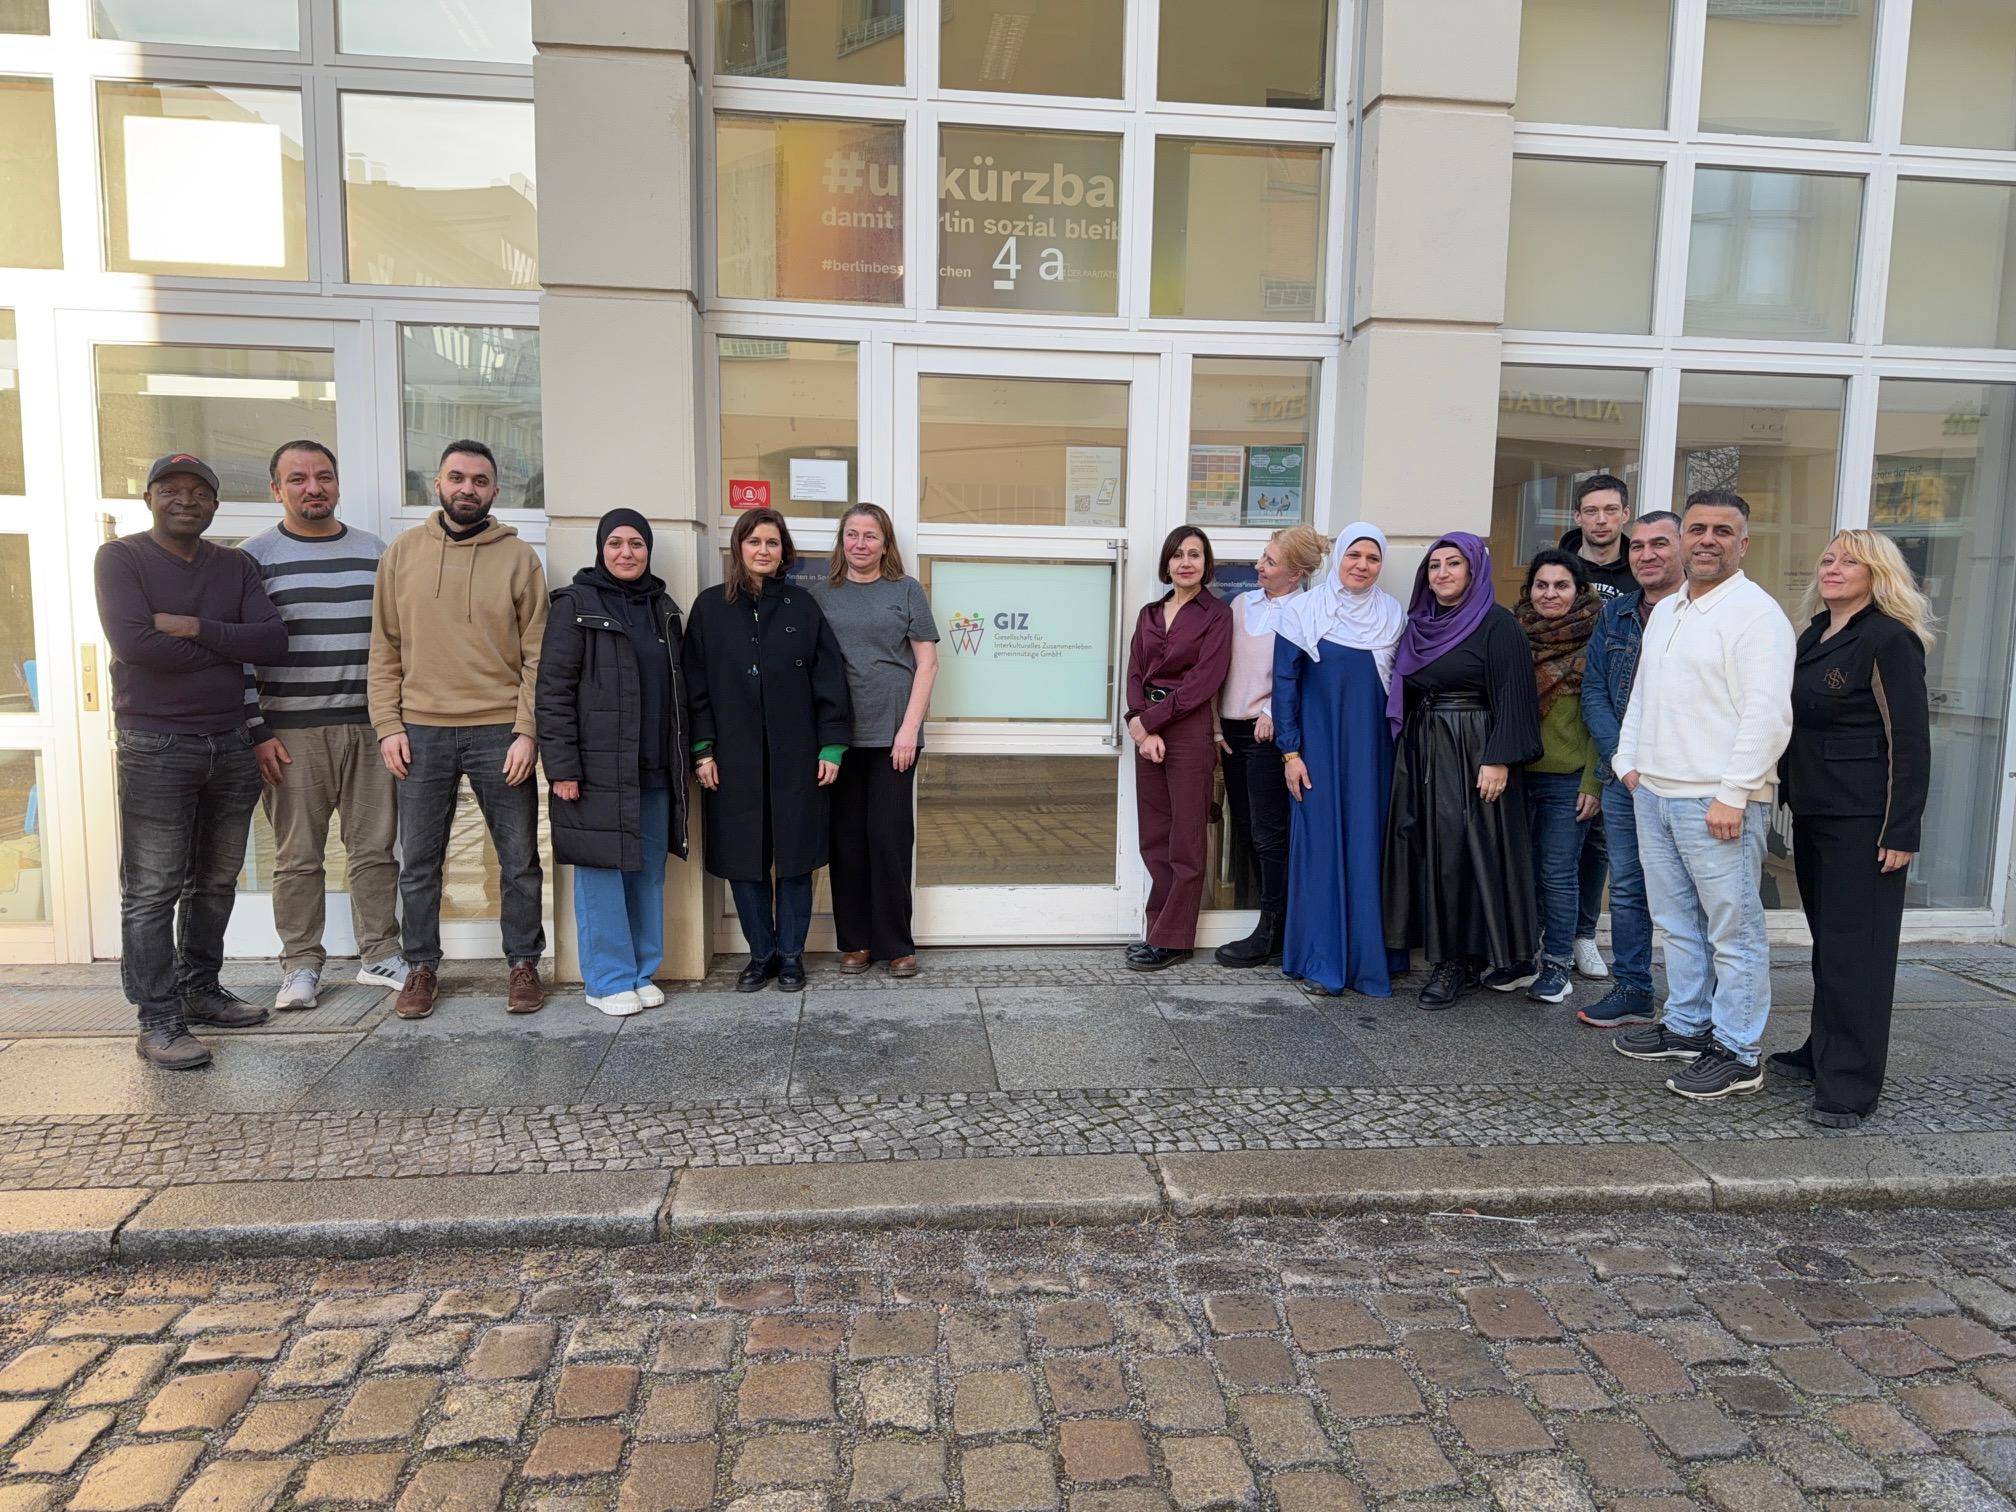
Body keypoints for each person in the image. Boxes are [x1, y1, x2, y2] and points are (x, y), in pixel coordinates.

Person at [96, 453, 288, 1069]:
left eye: (199, 492)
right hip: (156, 746)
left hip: (231, 743)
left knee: (216, 881)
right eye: (171, 489)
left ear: (214, 504)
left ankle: (200, 989)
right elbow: (135, 644)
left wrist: (193, 627)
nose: (186, 500)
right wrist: (228, 645)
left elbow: (272, 641)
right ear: (150, 498)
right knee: (153, 889)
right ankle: (157, 1019)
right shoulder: (121, 559)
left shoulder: (234, 565)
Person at [1612, 489, 1796, 1100]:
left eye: (1722, 530)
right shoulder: (1669, 610)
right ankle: (1688, 1026)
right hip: (1655, 792)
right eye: (1697, 529)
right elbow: (1644, 695)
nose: (1707, 540)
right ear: (1683, 539)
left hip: (1715, 802)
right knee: (1676, 923)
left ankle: (1739, 1052)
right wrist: (1628, 763)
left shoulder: (1757, 615)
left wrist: (1734, 793)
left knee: (1733, 932)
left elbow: (1767, 716)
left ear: (1743, 543)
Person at [369, 440, 550, 1020]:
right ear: (438, 484)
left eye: (479, 480)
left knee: (518, 859)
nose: (467, 488)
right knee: (420, 862)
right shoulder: (402, 554)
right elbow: (384, 648)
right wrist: (388, 724)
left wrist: (528, 730)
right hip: (420, 731)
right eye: (457, 477)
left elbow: (538, 656)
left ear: (495, 490)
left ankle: (523, 963)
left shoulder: (519, 559)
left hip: (500, 729)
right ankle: (420, 966)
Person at [1771, 530, 1932, 1127]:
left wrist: (1901, 829)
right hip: (1817, 811)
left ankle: (1850, 1085)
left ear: (1877, 575)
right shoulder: (1816, 632)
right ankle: (1824, 1051)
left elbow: (1909, 740)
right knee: (1831, 946)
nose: (1833, 568)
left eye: (1849, 562)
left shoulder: (1889, 638)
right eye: (1828, 559)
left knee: (1858, 953)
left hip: (1865, 821)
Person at [241, 441, 402, 1011]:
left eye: (324, 476)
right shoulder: (253, 558)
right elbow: (240, 654)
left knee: (375, 851)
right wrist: (258, 730)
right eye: (299, 478)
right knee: (297, 857)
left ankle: (381, 954)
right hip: (290, 734)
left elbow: (396, 639)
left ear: (337, 483)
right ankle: (301, 966)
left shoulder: (375, 552)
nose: (314, 487)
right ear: (276, 489)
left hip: (370, 726)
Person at [685, 507, 852, 993]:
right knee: (745, 859)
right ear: (738, 548)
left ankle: (792, 955)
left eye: (772, 542)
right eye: (754, 541)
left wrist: (832, 747)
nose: (763, 550)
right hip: (733, 759)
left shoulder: (803, 608)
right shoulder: (710, 608)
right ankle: (761, 955)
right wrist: (703, 749)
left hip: (798, 756)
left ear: (784, 551)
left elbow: (829, 679)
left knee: (796, 858)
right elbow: (695, 684)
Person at [536, 509, 691, 1016]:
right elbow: (553, 693)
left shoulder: (663, 608)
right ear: (601, 549)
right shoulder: (574, 605)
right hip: (597, 771)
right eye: (616, 543)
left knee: (647, 875)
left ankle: (641, 971)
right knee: (602, 874)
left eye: (637, 544)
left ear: (648, 550)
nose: (627, 552)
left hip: (654, 768)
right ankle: (606, 979)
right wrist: (562, 767)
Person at [1382, 532, 1544, 1009]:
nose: (1443, 573)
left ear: (1474, 570)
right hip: (1424, 748)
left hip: (1474, 750)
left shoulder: (1498, 624)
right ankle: (1443, 951)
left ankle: (1458, 961)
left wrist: (1498, 758)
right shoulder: (1418, 625)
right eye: (1434, 566)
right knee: (1427, 848)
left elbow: (1515, 694)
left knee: (1463, 853)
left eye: (1453, 564)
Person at [1273, 524, 1409, 996]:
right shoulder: (1301, 611)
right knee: (1321, 849)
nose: (1362, 566)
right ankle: (1321, 959)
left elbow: (1401, 688)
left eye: (1373, 558)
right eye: (1354, 555)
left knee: (1369, 846)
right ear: (1338, 558)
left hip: (1374, 752)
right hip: (1317, 752)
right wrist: (1290, 752)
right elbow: (1284, 686)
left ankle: (1371, 958)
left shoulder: (1392, 615)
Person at [811, 503, 938, 979]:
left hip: (894, 737)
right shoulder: (822, 596)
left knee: (888, 837)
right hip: (839, 736)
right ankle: (855, 942)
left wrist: (908, 729)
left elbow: (927, 664)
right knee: (846, 840)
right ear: (841, 541)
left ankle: (896, 944)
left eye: (870, 535)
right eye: (852, 534)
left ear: (885, 544)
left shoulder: (906, 590)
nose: (860, 543)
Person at [1577, 510, 1685, 1028]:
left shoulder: (1698, 611)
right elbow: (1594, 689)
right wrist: (1623, 761)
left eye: (1659, 543)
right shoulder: (1617, 613)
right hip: (1624, 777)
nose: (1646, 554)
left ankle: (1699, 1002)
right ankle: (1634, 988)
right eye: (1637, 546)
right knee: (1626, 885)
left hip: (1685, 775)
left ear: (1682, 548)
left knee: (1690, 891)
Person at [1214, 524, 1325, 969]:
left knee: (1269, 835)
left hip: (1267, 737)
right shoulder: (1242, 604)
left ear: (1295, 574)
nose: (1259, 565)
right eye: (1263, 556)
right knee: (1245, 829)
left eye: (1270, 561)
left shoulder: (1308, 611)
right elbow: (1222, 668)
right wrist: (1216, 724)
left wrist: (1273, 713)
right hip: (1232, 731)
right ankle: (1270, 922)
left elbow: (1306, 675)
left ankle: (1274, 930)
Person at [1125, 526, 1232, 971]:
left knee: (1185, 837)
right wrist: (1138, 723)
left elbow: (1204, 681)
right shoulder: (1149, 614)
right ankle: (1158, 930)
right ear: (1166, 564)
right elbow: (1135, 671)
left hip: (1188, 730)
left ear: (1206, 564)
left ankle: (1175, 940)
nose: (1186, 562)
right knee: (1154, 835)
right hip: (1148, 731)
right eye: (1178, 555)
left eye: (1195, 554)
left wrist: (1148, 722)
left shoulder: (1217, 615)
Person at [1514, 549, 1603, 1007]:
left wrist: (1594, 782)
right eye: (1542, 585)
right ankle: (1524, 958)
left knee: (1557, 874)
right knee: (1523, 872)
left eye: (1561, 585)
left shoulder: (1598, 638)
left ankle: (1556, 965)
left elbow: (1605, 716)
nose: (1550, 594)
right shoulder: (1515, 634)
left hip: (1569, 780)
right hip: (1518, 776)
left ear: (1579, 590)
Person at [1559, 473, 1635, 982]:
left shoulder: (1640, 568)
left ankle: (1584, 934)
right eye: (1591, 510)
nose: (1601, 520)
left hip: (1621, 718)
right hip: (1567, 717)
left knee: (1601, 838)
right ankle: (1552, 933)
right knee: (1561, 835)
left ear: (1624, 514)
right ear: (1578, 516)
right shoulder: (1560, 565)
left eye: (1610, 510)